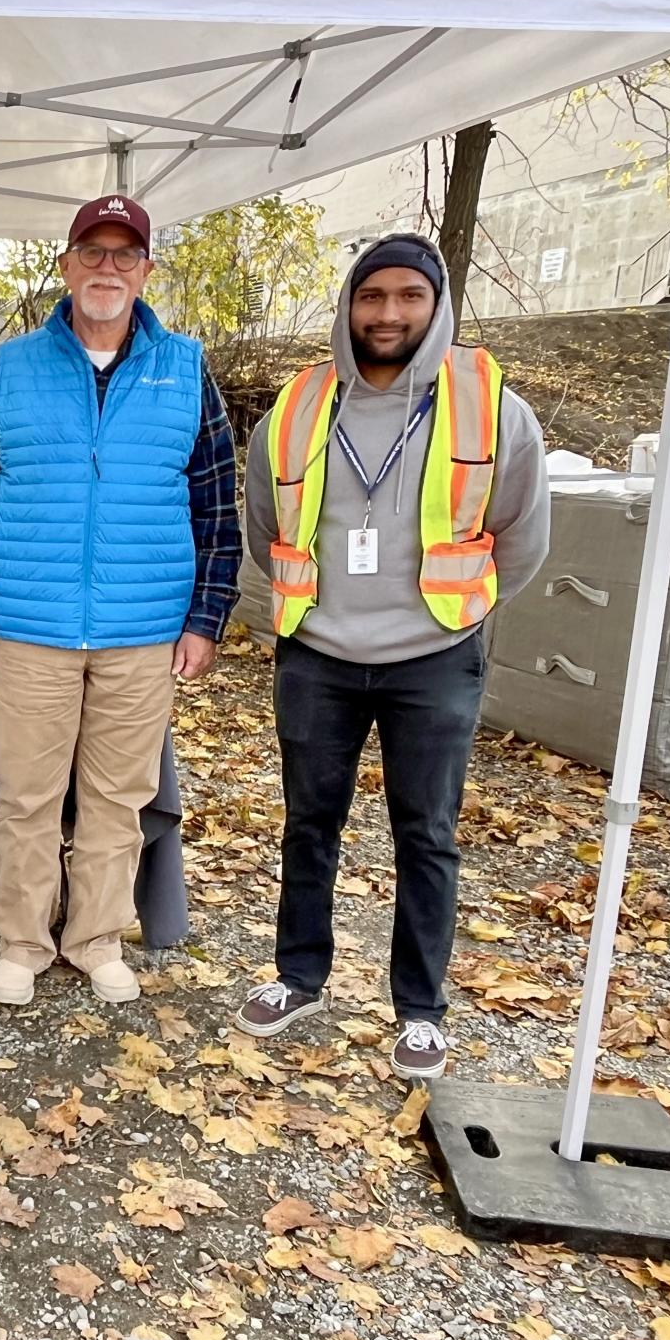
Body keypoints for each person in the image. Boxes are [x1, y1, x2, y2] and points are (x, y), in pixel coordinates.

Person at [237, 233, 549, 1080]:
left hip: (435, 658)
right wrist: (303, 617)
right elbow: (262, 524)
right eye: (372, 297)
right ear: (349, 306)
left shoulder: (489, 404)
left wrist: (459, 617)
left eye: (409, 297)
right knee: (310, 825)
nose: (388, 314)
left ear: (437, 304)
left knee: (428, 834)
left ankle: (420, 1010)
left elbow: (522, 534)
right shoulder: (301, 404)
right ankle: (299, 975)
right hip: (319, 656)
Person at [0, 194, 240, 1008]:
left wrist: (207, 617)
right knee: (27, 795)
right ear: (67, 265)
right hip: (30, 626)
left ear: (145, 270)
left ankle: (97, 937)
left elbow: (218, 505)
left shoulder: (186, 368)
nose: (108, 268)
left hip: (143, 631)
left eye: (124, 254)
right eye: (92, 252)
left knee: (117, 798)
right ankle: (22, 940)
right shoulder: (12, 367)